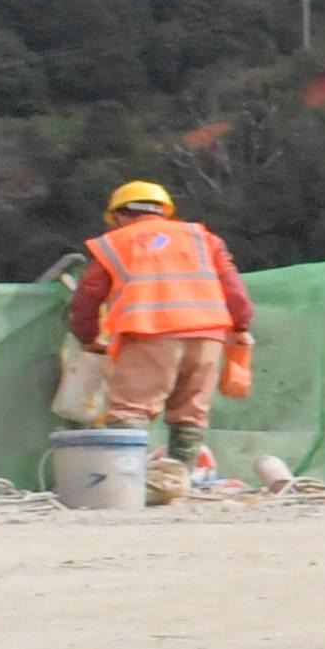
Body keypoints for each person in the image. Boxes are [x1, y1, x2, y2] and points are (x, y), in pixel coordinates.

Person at [66, 178, 253, 492]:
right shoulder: (202, 238)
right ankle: (180, 481)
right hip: (208, 334)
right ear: (164, 211)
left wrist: (87, 337)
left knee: (130, 410)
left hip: (149, 333)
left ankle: (126, 483)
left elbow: (88, 295)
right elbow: (233, 287)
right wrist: (241, 325)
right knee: (191, 411)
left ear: (120, 215)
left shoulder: (115, 243)